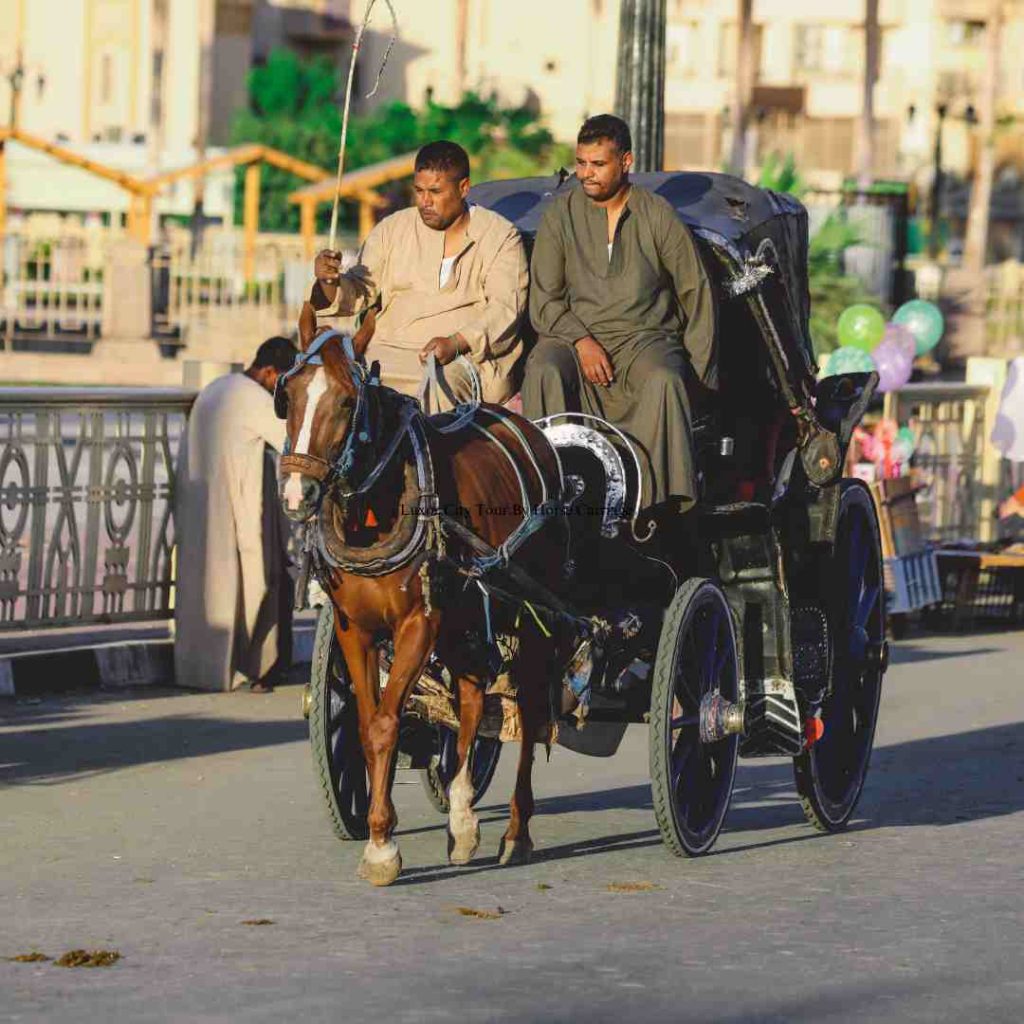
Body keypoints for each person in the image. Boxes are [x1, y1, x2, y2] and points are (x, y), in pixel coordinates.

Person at [522, 114, 717, 531]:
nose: (586, 174)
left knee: (665, 379)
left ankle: (654, 511)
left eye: (598, 164)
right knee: (543, 367)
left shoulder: (656, 214)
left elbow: (695, 291)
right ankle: (551, 496)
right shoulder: (560, 215)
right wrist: (581, 341)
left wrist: (699, 378)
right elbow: (545, 301)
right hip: (573, 337)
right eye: (581, 163)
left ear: (625, 161)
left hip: (645, 340)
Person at [310, 140, 528, 407]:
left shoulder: (500, 236)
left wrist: (456, 343)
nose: (425, 201)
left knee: (438, 388)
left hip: (462, 360)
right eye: (419, 191)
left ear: (463, 188)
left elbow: (505, 310)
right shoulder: (392, 229)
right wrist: (330, 281)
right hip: (385, 352)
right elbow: (359, 289)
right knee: (322, 387)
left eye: (435, 191)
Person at [174, 338, 297, 693]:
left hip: (199, 508)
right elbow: (290, 443)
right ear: (270, 372)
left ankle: (200, 669)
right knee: (263, 580)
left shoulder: (216, 388)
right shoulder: (254, 397)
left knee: (207, 589)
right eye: (282, 382)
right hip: (234, 509)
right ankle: (262, 668)